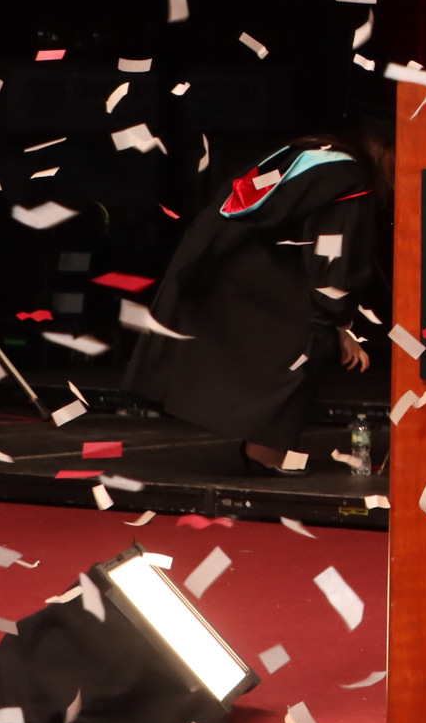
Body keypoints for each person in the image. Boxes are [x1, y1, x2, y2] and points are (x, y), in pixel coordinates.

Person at [131, 122, 390, 474]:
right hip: (254, 273)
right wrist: (340, 321)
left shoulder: (308, 152)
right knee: (310, 337)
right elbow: (332, 252)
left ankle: (261, 445)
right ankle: (266, 451)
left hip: (217, 258)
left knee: (284, 336)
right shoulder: (349, 179)